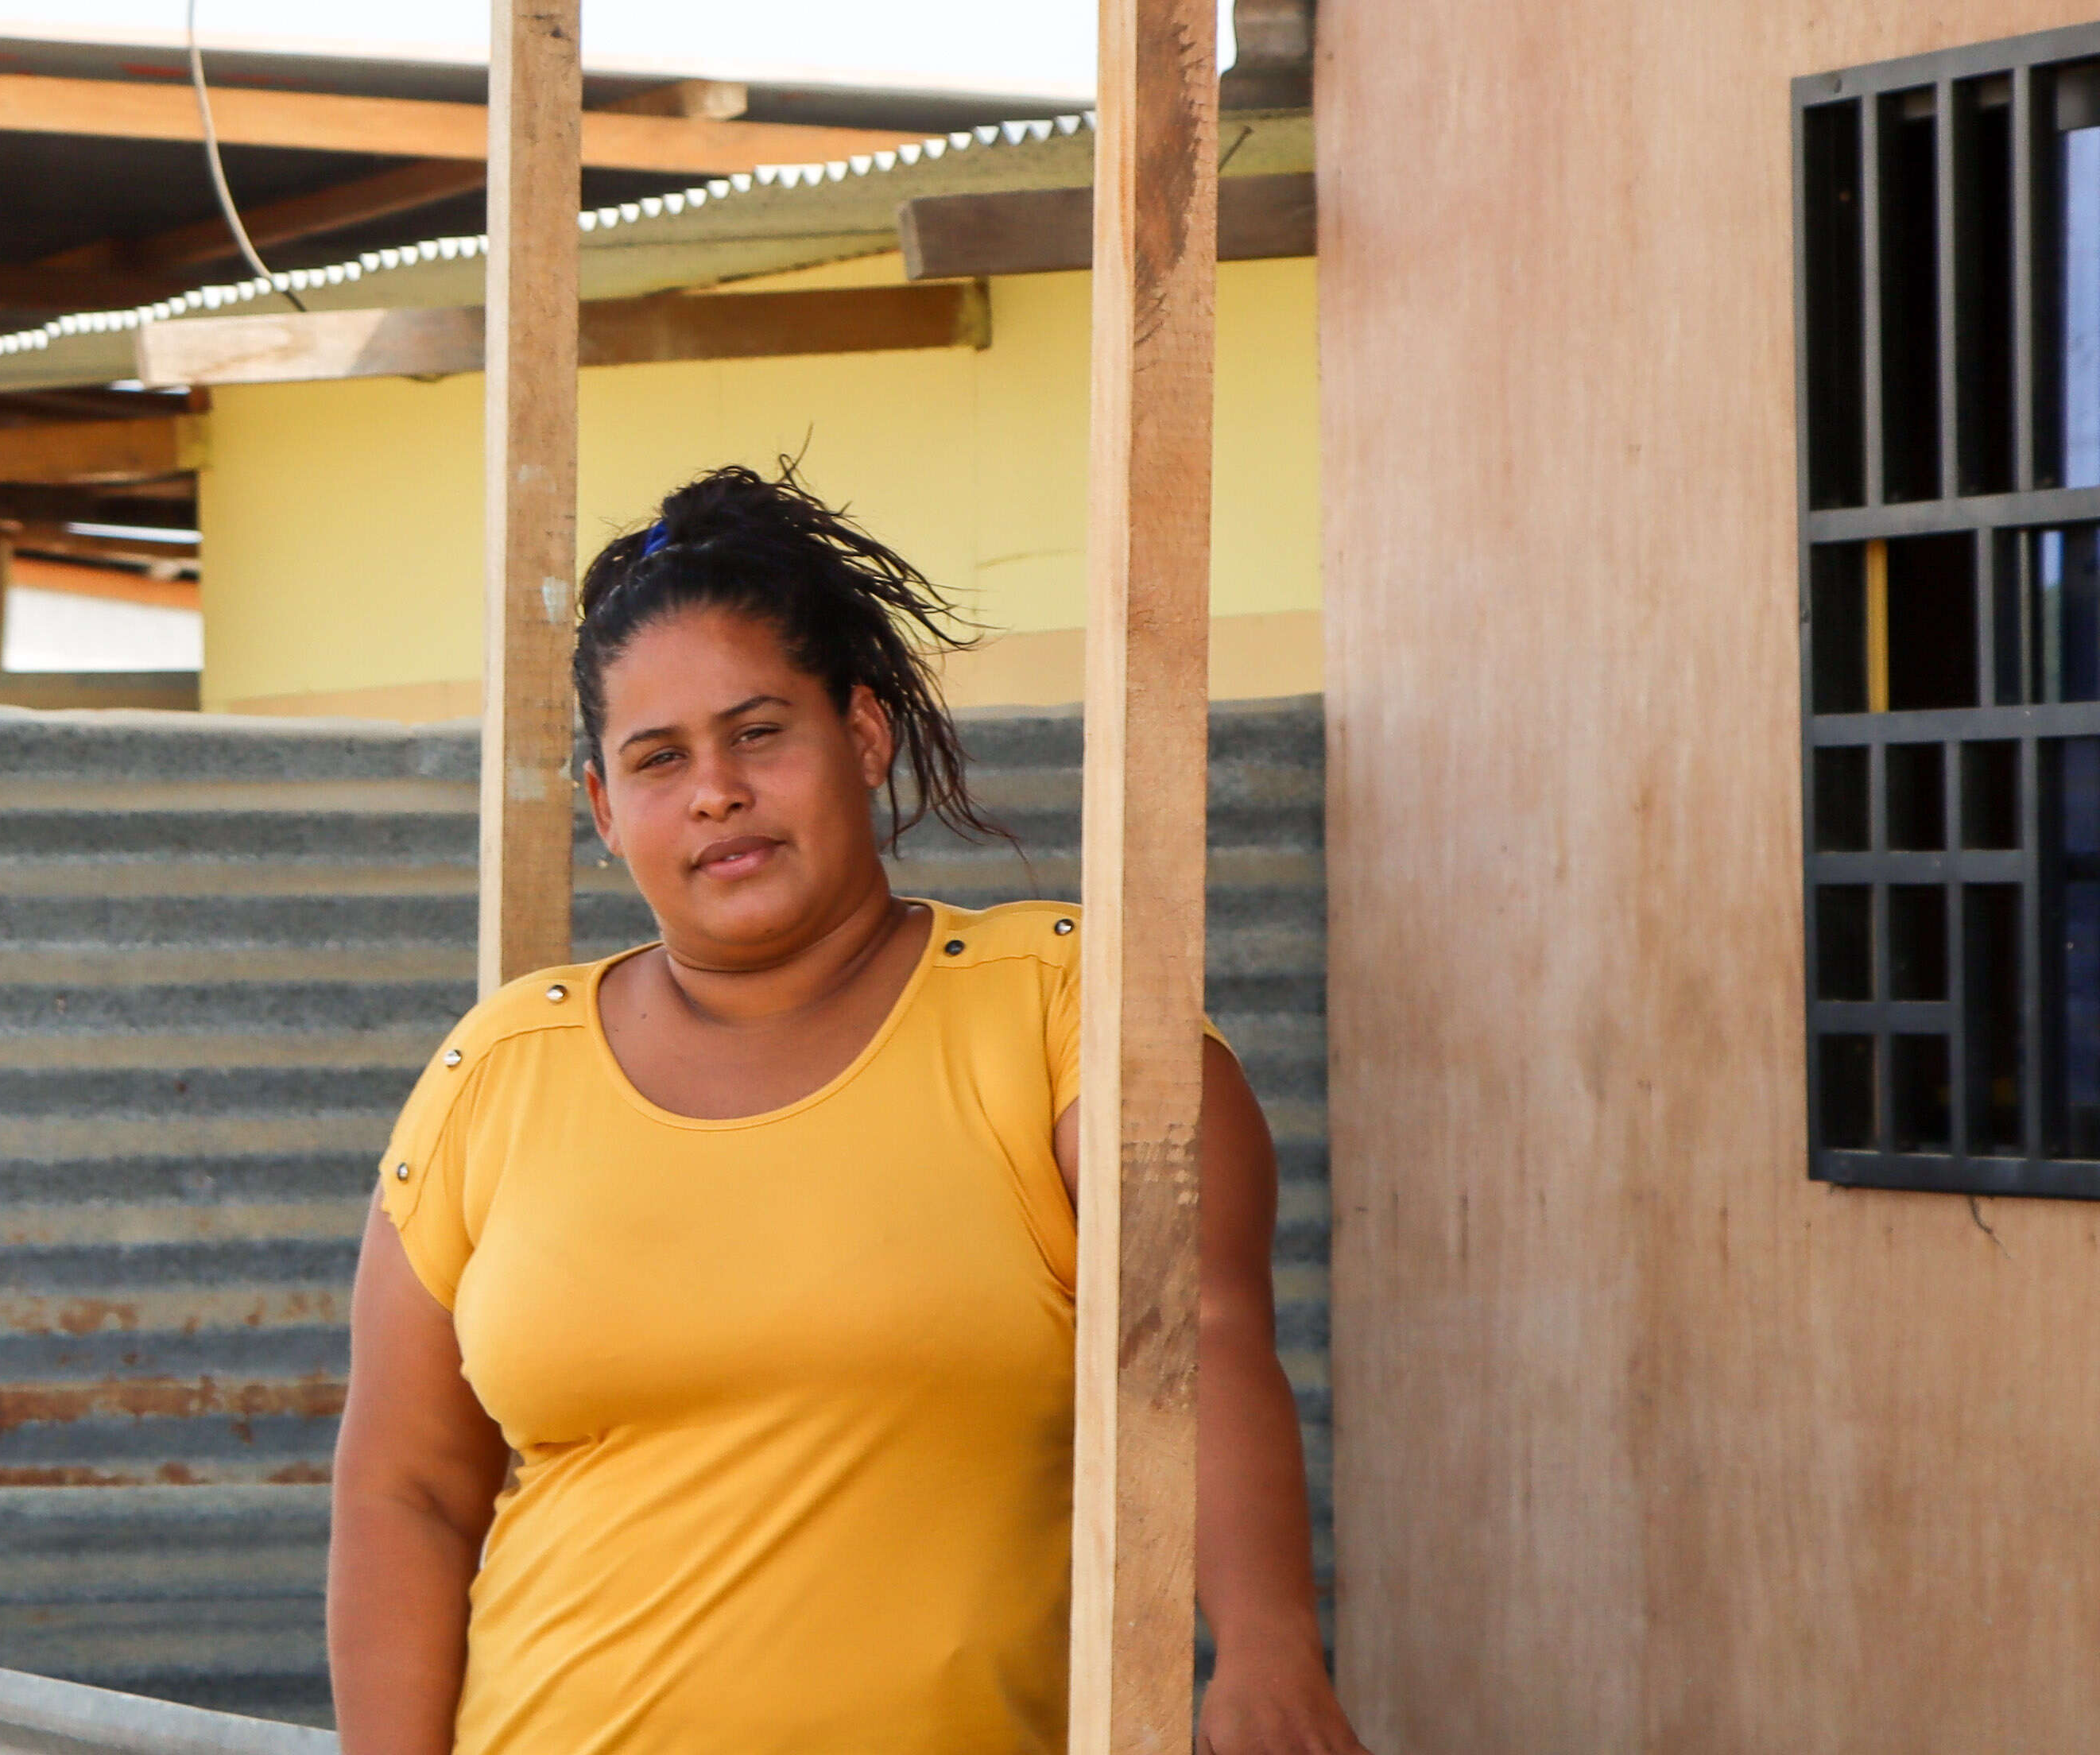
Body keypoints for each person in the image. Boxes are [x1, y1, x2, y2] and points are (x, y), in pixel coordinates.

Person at [327, 465, 1370, 1755]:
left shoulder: (1064, 1014)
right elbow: (408, 1492)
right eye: (658, 760)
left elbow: (1199, 1334)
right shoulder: (498, 1068)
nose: (715, 790)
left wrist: (1266, 1644)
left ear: (861, 737)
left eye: (758, 732)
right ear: (603, 808)